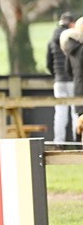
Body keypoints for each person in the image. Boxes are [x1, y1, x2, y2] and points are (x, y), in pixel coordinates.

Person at [48, 12, 76, 145]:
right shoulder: (73, 40)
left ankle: (58, 141)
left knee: (59, 113)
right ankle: (78, 140)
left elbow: (48, 62)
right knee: (76, 112)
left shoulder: (52, 41)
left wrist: (56, 75)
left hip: (58, 80)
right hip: (73, 80)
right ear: (71, 23)